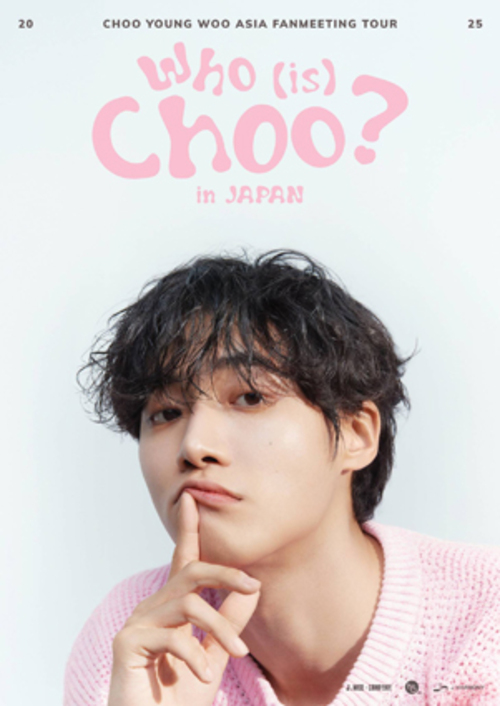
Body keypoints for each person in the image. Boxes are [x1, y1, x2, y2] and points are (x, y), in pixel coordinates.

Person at [64, 250, 500, 706]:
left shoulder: (482, 622)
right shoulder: (131, 640)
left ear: (356, 434)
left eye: (250, 398)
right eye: (166, 413)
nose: (194, 446)